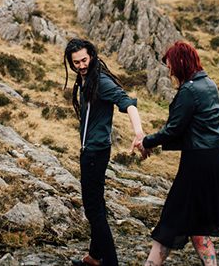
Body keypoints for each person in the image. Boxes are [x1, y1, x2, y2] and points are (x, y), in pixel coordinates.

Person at [137, 40, 219, 266]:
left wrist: (146, 141)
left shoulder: (189, 90)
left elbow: (174, 128)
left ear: (179, 63)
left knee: (171, 218)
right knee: (197, 222)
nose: (169, 71)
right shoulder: (208, 83)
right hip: (217, 158)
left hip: (198, 163)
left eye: (170, 66)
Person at [63, 38, 145, 266]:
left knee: (93, 209)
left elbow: (128, 103)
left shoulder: (101, 81)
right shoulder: (85, 78)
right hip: (93, 150)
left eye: (84, 60)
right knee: (96, 204)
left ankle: (110, 262)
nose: (81, 65)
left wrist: (138, 133)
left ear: (92, 56)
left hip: (94, 153)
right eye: (76, 62)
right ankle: (95, 256)